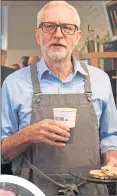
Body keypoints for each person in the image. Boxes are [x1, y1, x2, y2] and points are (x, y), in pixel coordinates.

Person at [1, 1, 117, 195]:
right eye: (49, 26)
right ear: (38, 35)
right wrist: (28, 134)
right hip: (34, 190)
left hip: (92, 190)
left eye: (67, 28)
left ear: (77, 37)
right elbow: (3, 153)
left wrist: (112, 157)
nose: (58, 34)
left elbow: (110, 136)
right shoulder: (13, 84)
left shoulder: (100, 80)